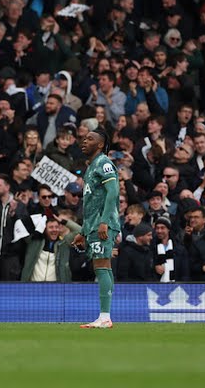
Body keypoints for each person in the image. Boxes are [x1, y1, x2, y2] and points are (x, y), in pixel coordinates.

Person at [73, 128, 120, 328]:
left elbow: (113, 192)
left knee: (101, 266)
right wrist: (83, 231)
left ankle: (105, 317)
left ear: (100, 144)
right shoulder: (91, 166)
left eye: (90, 139)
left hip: (103, 224)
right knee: (103, 266)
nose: (84, 141)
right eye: (84, 138)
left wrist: (104, 222)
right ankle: (104, 316)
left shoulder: (104, 163)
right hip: (93, 225)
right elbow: (91, 202)